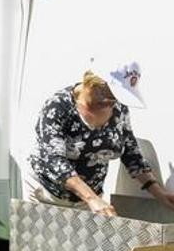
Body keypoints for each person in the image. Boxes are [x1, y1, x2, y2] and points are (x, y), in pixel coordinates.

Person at [25, 60, 174, 216]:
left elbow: (131, 153)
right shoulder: (58, 107)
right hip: (47, 196)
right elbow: (54, 160)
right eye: (109, 95)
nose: (112, 103)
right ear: (92, 83)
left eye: (116, 98)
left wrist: (159, 192)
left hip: (89, 201)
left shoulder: (119, 109)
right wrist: (91, 198)